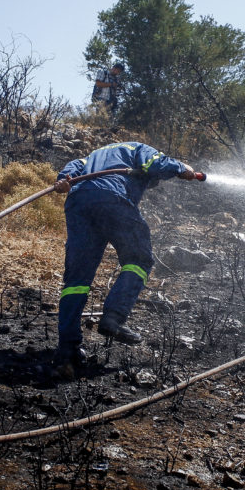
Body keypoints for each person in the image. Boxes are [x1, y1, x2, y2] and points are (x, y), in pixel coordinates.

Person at [52, 142, 197, 377]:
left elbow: (73, 167)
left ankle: (67, 349)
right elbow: (154, 163)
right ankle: (113, 318)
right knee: (139, 260)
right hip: (112, 198)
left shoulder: (94, 156)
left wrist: (64, 179)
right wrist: (181, 167)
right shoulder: (135, 148)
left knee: (76, 279)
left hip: (78, 203)